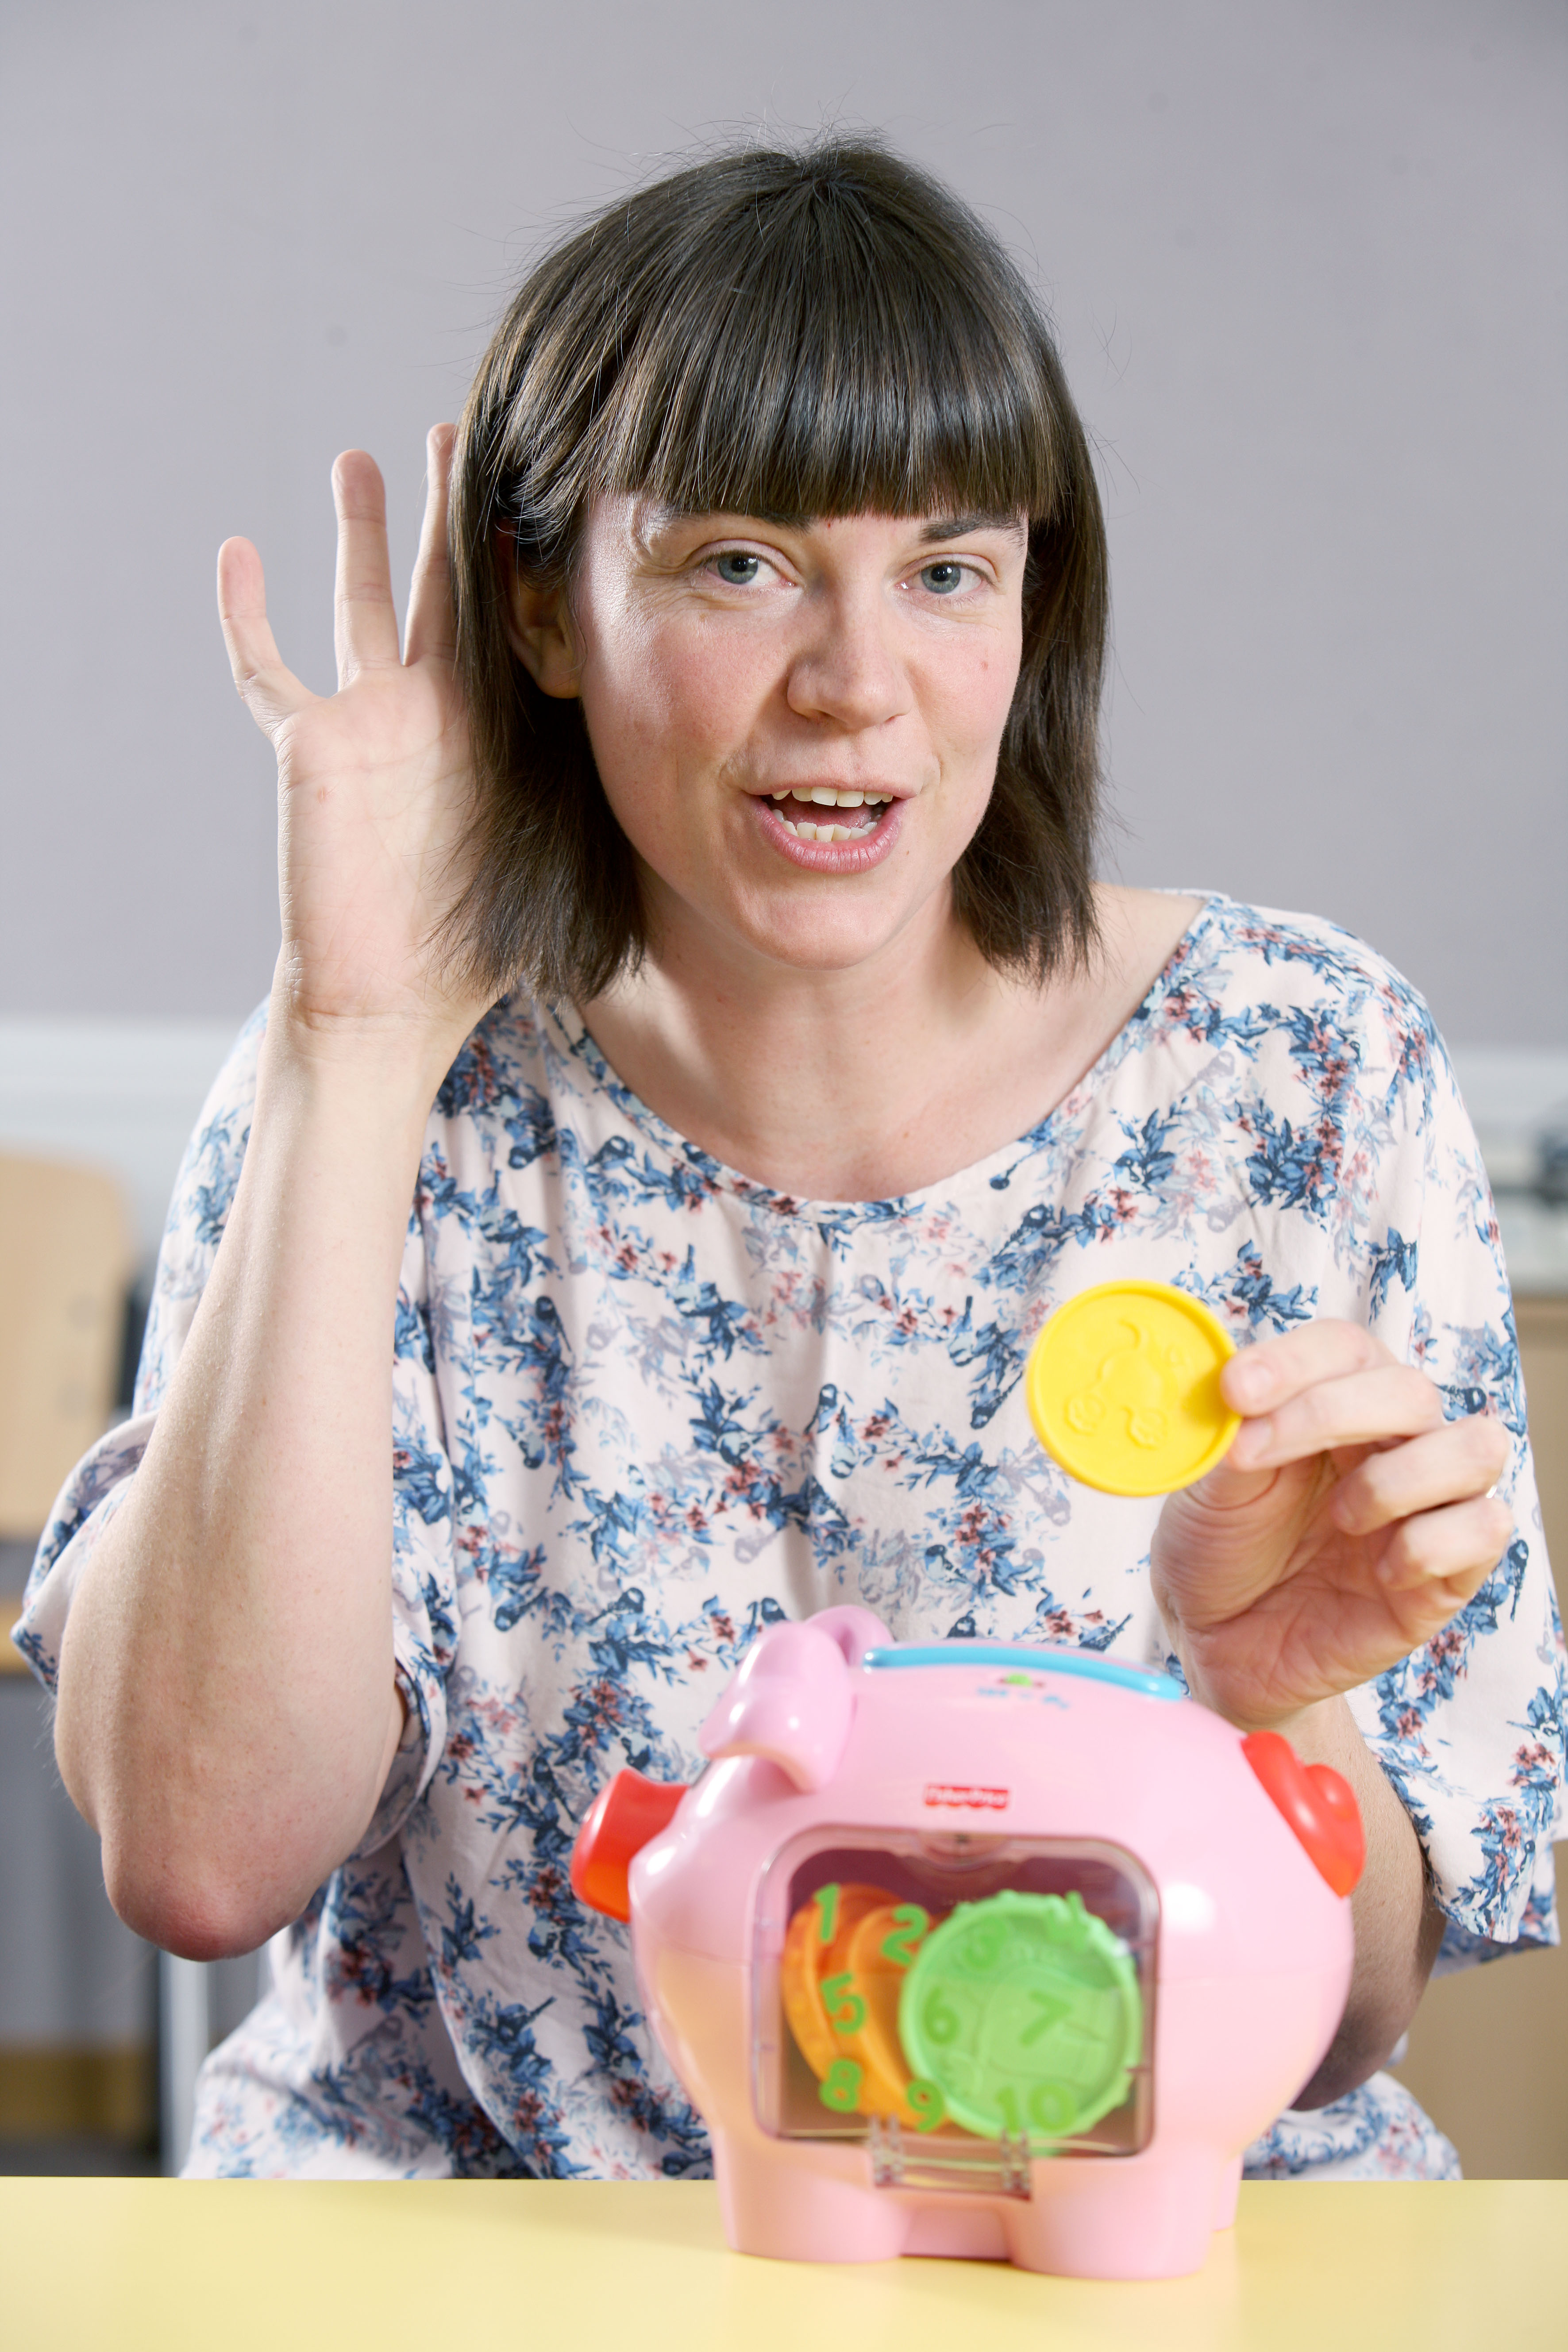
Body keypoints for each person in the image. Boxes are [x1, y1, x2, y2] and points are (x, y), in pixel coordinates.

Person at [15, 139, 1560, 2182]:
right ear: (543, 608)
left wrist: (1270, 1707)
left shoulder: (1302, 1069)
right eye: (739, 564)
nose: (854, 684)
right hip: (498, 2254)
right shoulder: (378, 1090)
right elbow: (200, 1862)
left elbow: (1337, 2033)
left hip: (1124, 2264)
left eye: (946, 570)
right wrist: (351, 1044)